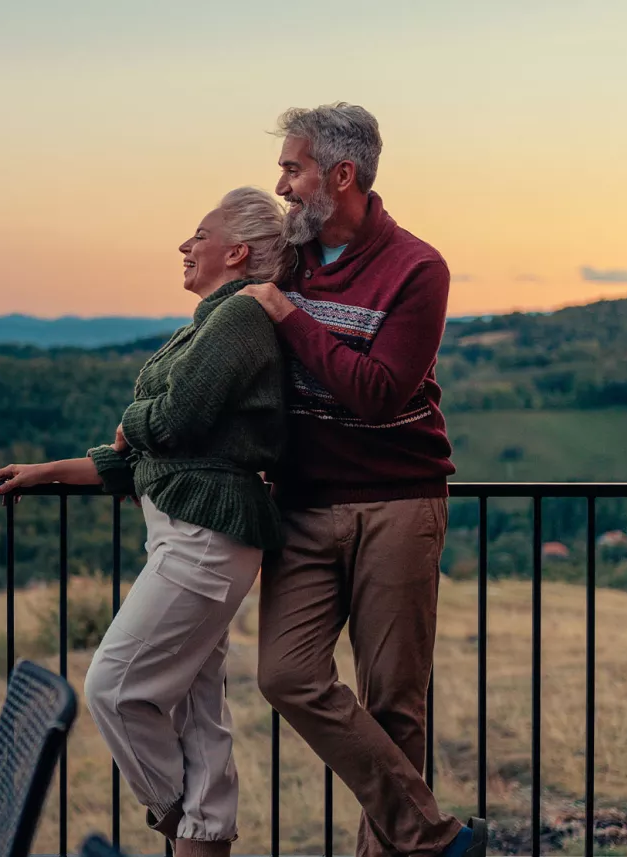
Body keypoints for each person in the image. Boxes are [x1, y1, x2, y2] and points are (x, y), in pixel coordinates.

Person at [0, 187, 291, 857]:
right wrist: (49, 470)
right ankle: (201, 835)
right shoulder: (213, 323)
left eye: (198, 234)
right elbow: (153, 453)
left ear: (235, 251)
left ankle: (178, 821)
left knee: (113, 686)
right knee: (200, 713)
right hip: (197, 536)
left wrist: (131, 424)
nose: (185, 244)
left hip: (202, 543)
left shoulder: (237, 319)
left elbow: (171, 424)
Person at [238, 103, 486, 857]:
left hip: (398, 501)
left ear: (340, 176)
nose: (280, 185)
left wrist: (286, 314)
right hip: (305, 504)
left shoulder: (417, 269)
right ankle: (436, 839)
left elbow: (378, 389)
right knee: (285, 673)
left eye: (293, 167)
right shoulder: (288, 255)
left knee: (394, 704)